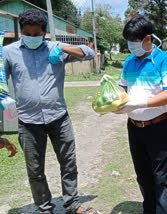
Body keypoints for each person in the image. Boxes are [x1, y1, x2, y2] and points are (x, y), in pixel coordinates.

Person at [3, 9, 97, 214]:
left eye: (36, 34)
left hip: (58, 117)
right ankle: (45, 208)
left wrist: (62, 47)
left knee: (68, 163)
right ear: (21, 32)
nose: (31, 38)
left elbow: (89, 53)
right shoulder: (9, 52)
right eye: (27, 34)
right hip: (28, 121)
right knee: (35, 169)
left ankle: (72, 203)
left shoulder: (55, 48)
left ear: (44, 33)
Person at [106, 15, 167, 214]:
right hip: (134, 127)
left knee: (160, 177)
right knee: (143, 175)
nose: (131, 46)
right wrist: (112, 100)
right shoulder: (128, 62)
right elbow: (122, 91)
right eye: (128, 41)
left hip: (158, 126)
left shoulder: (164, 60)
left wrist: (140, 102)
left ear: (148, 39)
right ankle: (149, 210)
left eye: (134, 41)